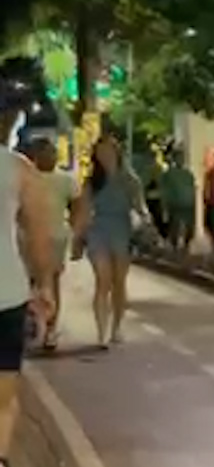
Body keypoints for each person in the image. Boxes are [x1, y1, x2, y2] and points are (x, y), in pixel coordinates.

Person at [0, 57, 59, 467]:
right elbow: (39, 237)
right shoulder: (19, 169)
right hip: (5, 293)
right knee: (4, 393)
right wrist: (44, 286)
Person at [81, 137, 142, 348]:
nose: (104, 155)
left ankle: (117, 327)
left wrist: (142, 221)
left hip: (122, 230)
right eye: (100, 152)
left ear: (117, 153)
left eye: (108, 151)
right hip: (98, 230)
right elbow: (84, 210)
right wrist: (78, 237)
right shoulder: (92, 181)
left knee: (119, 282)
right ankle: (101, 333)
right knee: (102, 281)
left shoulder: (130, 180)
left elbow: (139, 206)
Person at [26, 138, 81, 354]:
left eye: (52, 153)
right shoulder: (27, 177)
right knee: (29, 282)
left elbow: (77, 204)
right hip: (27, 238)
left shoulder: (65, 180)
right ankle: (31, 324)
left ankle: (50, 328)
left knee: (51, 281)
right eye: (45, 153)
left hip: (55, 237)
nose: (50, 157)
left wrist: (75, 229)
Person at [159, 150, 196, 253]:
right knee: (174, 227)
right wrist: (164, 206)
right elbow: (164, 191)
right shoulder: (168, 174)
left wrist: (194, 203)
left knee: (189, 228)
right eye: (179, 157)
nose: (181, 160)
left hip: (188, 204)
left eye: (182, 158)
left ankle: (186, 246)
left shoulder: (188, 174)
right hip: (175, 204)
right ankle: (175, 247)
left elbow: (192, 189)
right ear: (174, 159)